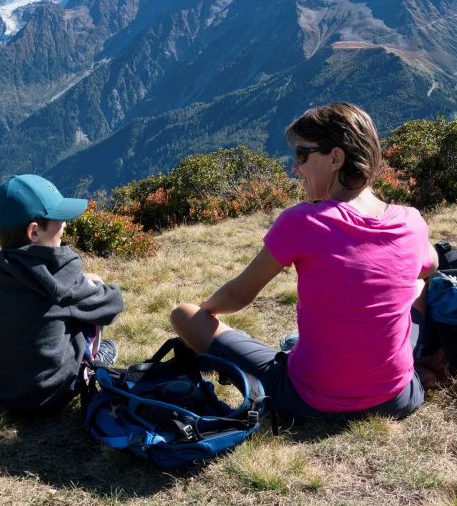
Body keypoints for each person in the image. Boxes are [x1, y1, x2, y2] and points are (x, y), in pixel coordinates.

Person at [171, 102, 438, 420]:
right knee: (419, 286)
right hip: (399, 398)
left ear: (336, 158)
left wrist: (207, 311)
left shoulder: (302, 221)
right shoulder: (411, 221)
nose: (295, 167)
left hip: (310, 400)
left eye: (302, 155)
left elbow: (238, 295)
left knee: (183, 315)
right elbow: (430, 266)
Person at [0, 174, 124, 412]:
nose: (65, 225)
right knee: (92, 291)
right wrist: (94, 284)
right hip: (46, 395)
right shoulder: (60, 275)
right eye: (58, 219)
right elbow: (112, 305)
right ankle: (96, 356)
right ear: (34, 232)